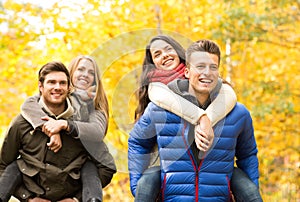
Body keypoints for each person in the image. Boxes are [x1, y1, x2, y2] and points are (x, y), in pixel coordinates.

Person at [128, 39, 261, 201]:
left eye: (213, 67)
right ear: (187, 71)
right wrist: (138, 186)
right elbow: (138, 142)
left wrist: (250, 191)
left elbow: (247, 155)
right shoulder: (158, 108)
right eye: (200, 67)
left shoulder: (238, 113)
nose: (207, 73)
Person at [0, 59, 116, 202]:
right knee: (13, 167)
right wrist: (28, 198)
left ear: (69, 88)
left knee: (90, 166)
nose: (57, 87)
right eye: (51, 82)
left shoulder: (84, 121)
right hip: (34, 192)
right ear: (40, 87)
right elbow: (3, 165)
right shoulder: (23, 121)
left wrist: (75, 199)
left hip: (69, 190)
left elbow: (106, 166)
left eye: (62, 83)